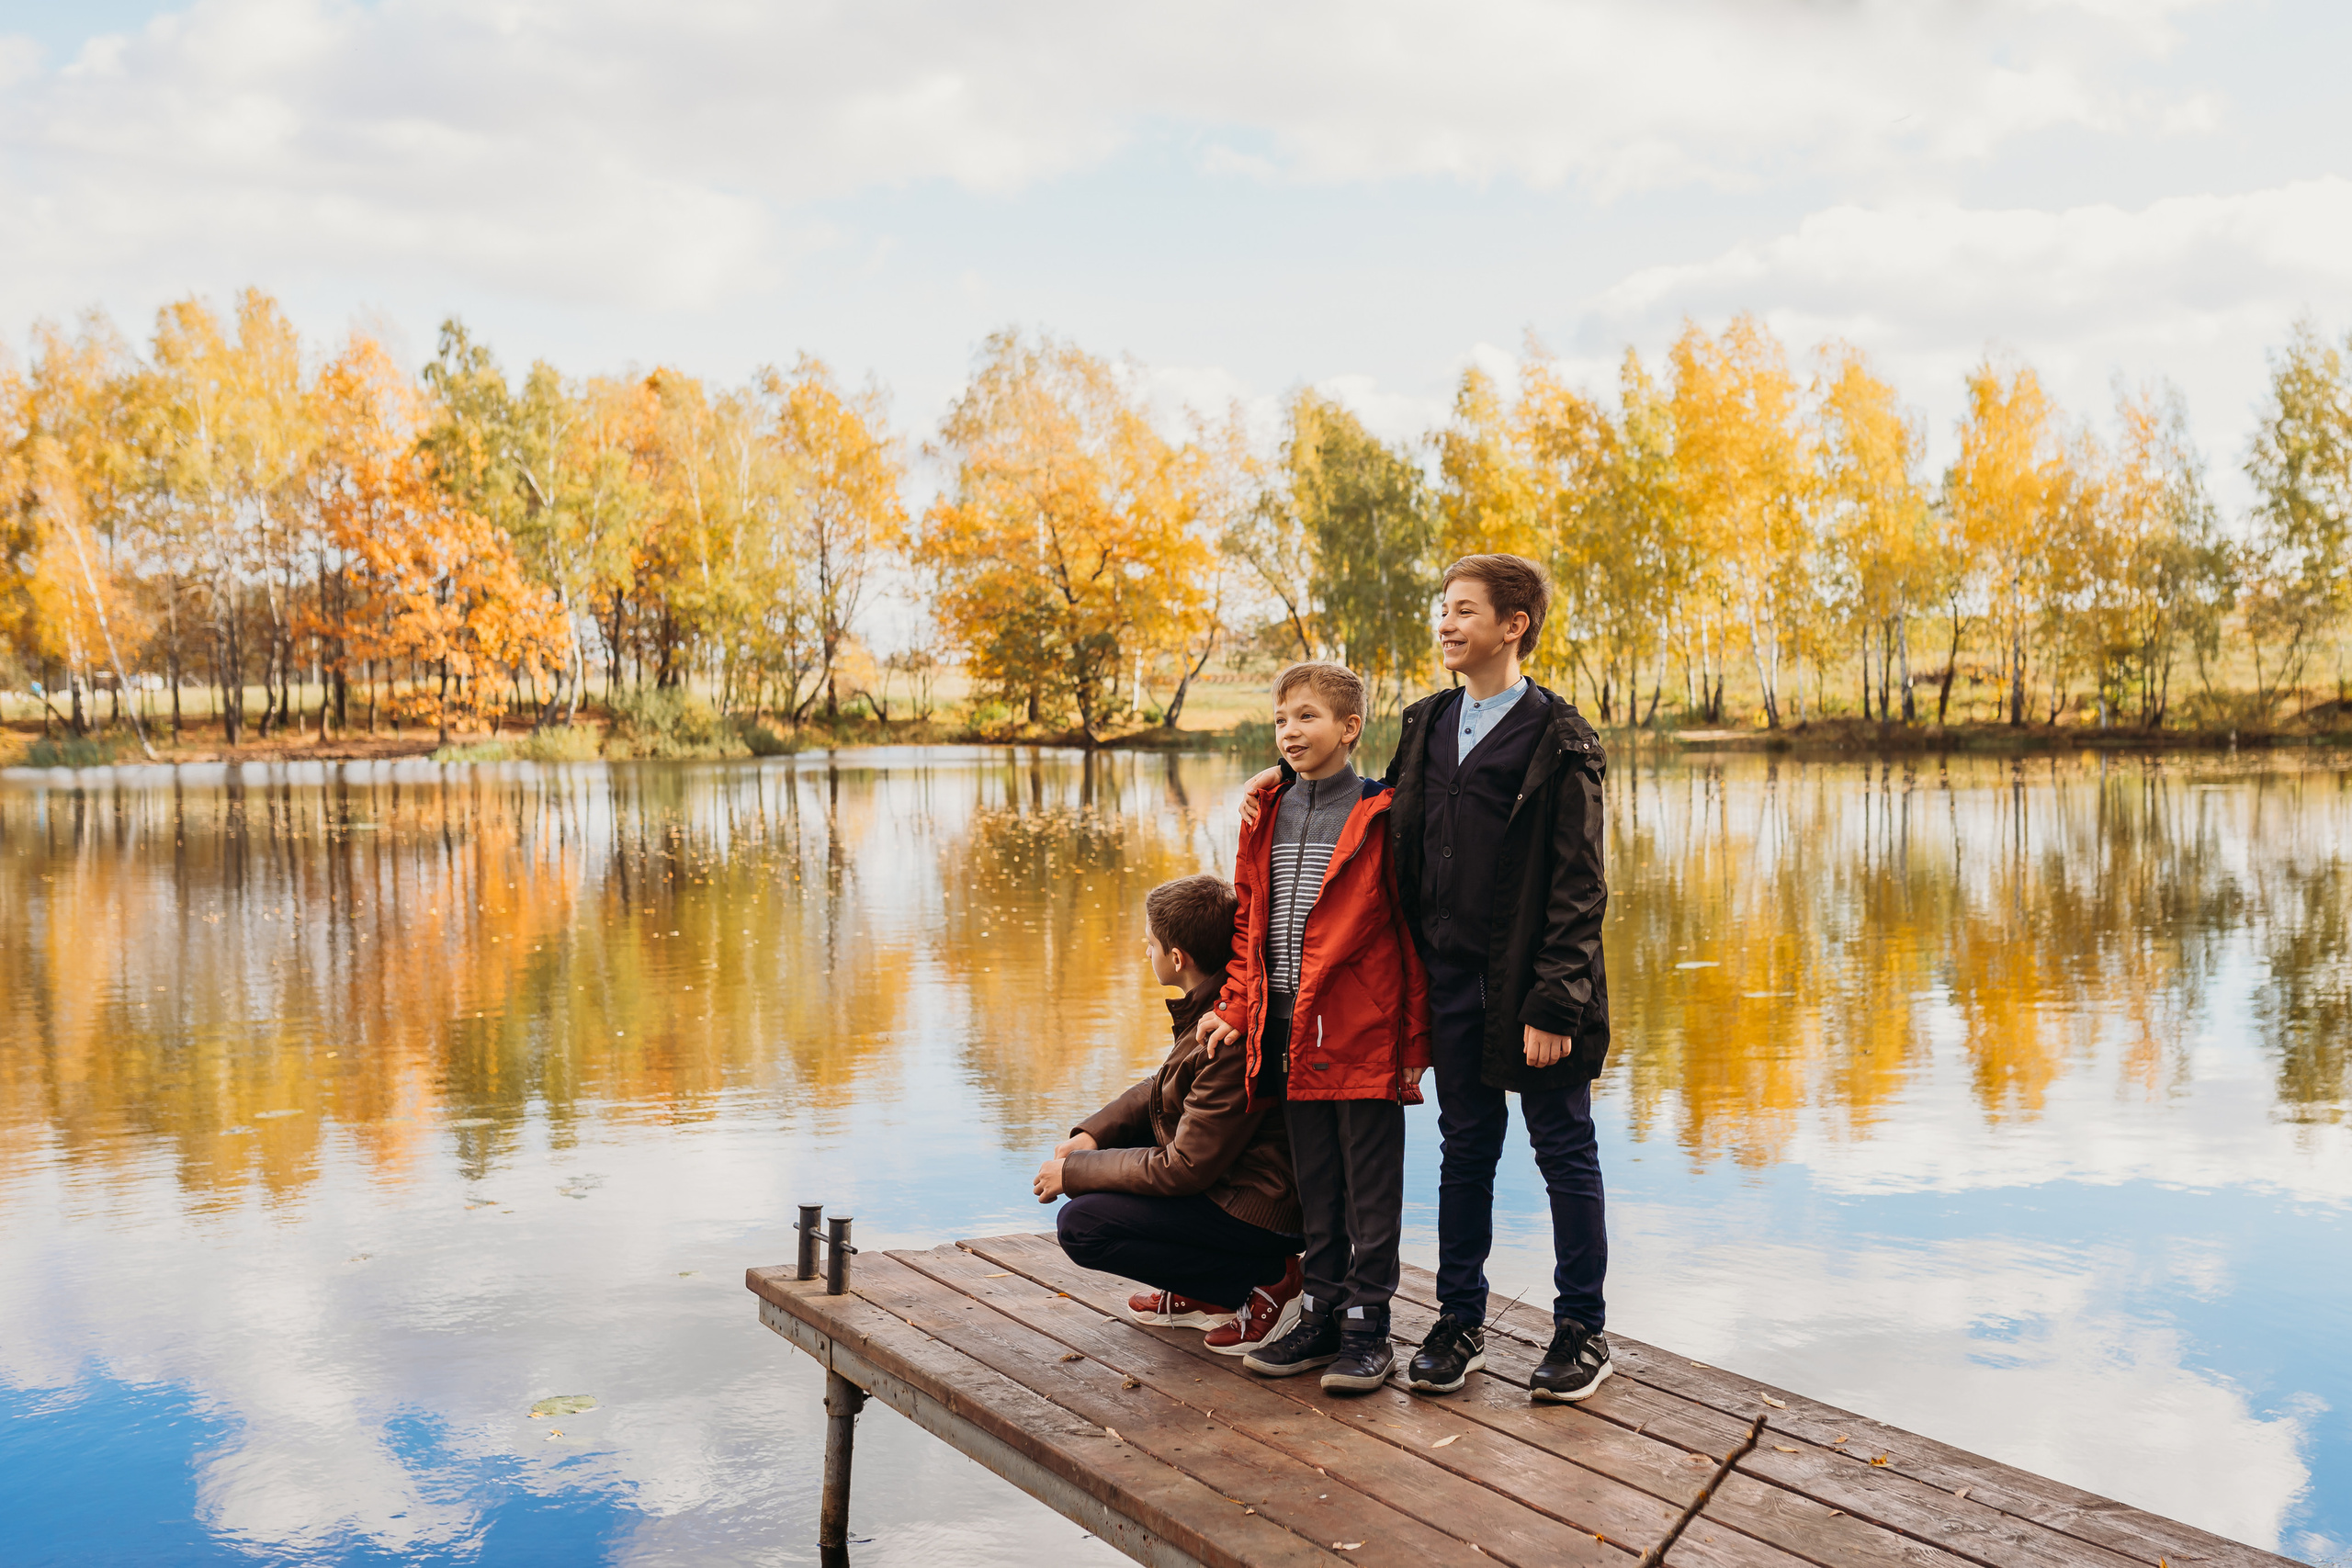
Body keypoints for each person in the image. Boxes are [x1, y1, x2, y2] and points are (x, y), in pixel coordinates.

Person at [1236, 555, 1613, 1404]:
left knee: (1564, 1151)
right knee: (1464, 1151)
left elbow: (1580, 885)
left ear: (1513, 626)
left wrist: (1555, 1000)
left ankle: (1580, 1330)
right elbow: (1377, 816)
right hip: (1448, 985)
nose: (1446, 624)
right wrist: (1284, 781)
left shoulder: (1562, 737)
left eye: (1465, 611)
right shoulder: (1429, 721)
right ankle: (1459, 1321)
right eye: (1443, 610)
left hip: (1537, 991)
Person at [1198, 661, 1430, 1393]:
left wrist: (1415, 1043)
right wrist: (1236, 1008)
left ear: (1349, 727)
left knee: (1370, 1186)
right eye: (1280, 721)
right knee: (1318, 1184)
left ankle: (1370, 1324)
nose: (1290, 732)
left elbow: (1413, 934)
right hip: (1288, 1030)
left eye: (1306, 717)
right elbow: (1247, 926)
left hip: (1361, 1030)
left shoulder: (1384, 811)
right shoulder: (1264, 812)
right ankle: (1321, 1311)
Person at [1036, 874, 1308, 1357]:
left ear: (1177, 958)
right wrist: (1093, 1137)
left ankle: (1269, 1280)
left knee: (1082, 1225)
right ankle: (1208, 1293)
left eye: (1150, 944)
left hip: (1257, 1206)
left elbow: (1184, 1167)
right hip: (1228, 1185)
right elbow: (1163, 1087)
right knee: (1105, 1173)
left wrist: (1074, 1174)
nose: (1146, 952)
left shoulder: (1228, 1032)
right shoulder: (1215, 1003)